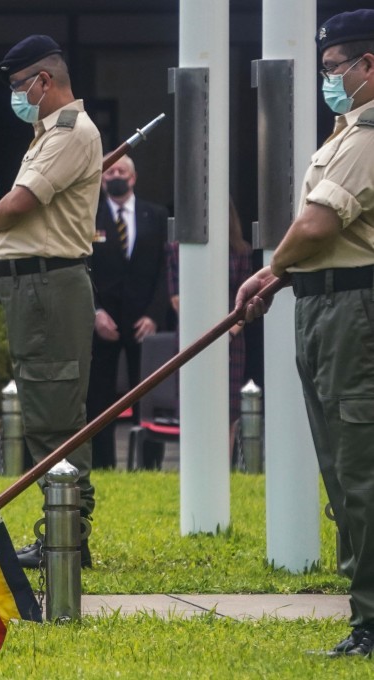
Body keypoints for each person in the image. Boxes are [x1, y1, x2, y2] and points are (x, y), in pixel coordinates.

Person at [236, 10, 374, 657]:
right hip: (324, 306)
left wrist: (271, 268)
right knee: (341, 468)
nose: (329, 82)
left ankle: (371, 621)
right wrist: (285, 278)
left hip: (354, 313)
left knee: (360, 468)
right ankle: (364, 613)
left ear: (368, 66)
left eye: (335, 69)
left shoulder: (370, 133)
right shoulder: (346, 132)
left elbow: (319, 225)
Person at [0, 35, 101, 569]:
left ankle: (68, 533)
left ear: (44, 81)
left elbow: (17, 207)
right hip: (32, 283)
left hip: (48, 287)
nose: (14, 96)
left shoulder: (68, 133)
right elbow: (28, 227)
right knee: (45, 407)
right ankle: (66, 524)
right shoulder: (45, 135)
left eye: (18, 86)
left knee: (53, 413)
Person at [86, 155, 170, 469]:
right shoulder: (88, 215)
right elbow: (83, 266)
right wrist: (95, 312)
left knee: (148, 395)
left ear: (133, 178)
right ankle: (103, 465)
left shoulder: (156, 215)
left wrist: (154, 314)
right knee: (99, 399)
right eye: (109, 171)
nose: (115, 176)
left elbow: (166, 269)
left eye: (121, 171)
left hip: (143, 321)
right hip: (103, 322)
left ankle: (149, 465)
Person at [167, 199, 253, 457]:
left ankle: (223, 466)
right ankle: (194, 464)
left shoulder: (241, 251)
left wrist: (226, 335)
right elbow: (176, 297)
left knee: (228, 408)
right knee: (194, 403)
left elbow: (246, 299)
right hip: (193, 336)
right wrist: (202, 333)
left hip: (231, 336)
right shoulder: (175, 249)